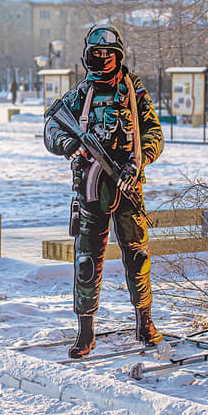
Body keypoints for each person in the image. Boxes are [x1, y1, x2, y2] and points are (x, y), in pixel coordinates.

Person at [43, 24, 164, 359]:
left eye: (108, 54)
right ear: (88, 56)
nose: (103, 59)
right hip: (90, 190)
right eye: (97, 54)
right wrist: (71, 146)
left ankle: (145, 323)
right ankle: (85, 332)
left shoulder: (133, 90)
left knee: (138, 256)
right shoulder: (82, 94)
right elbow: (52, 127)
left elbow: (154, 131)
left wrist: (140, 161)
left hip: (127, 186)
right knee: (86, 262)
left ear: (118, 55)